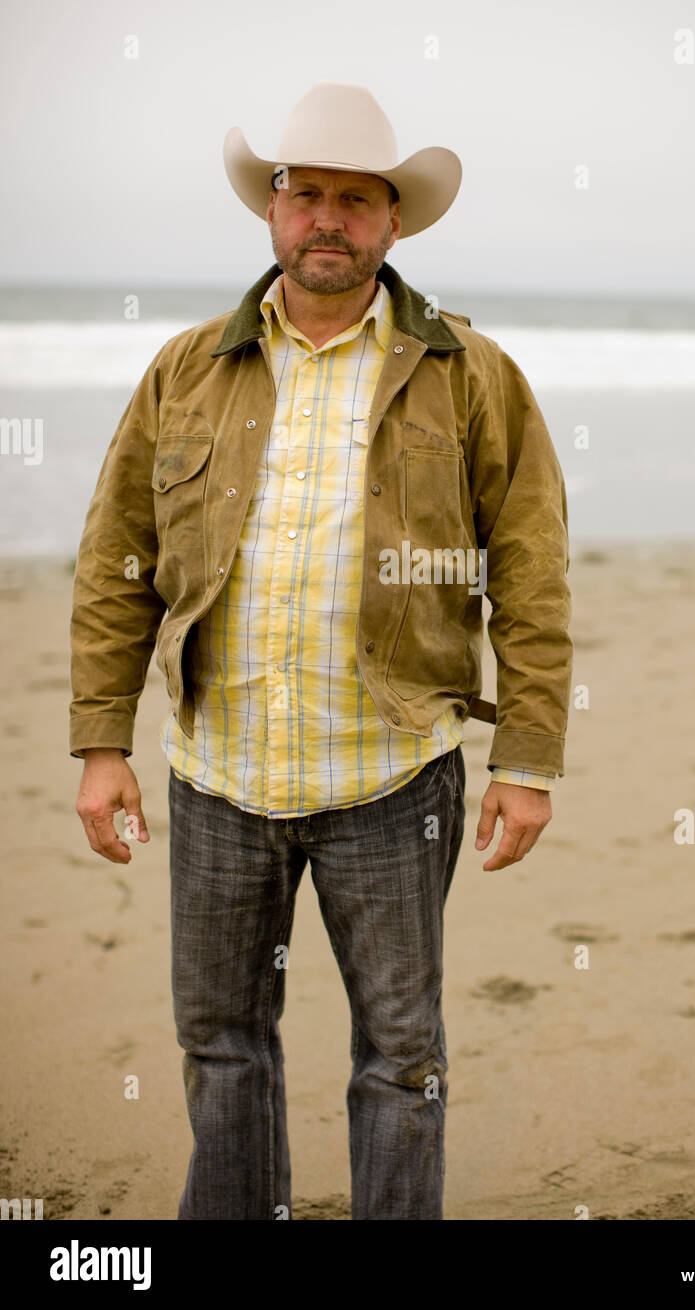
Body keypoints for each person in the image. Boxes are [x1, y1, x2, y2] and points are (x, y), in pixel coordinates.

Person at [70, 82, 573, 1220]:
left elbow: (530, 572)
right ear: (271, 210)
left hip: (391, 780)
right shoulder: (187, 368)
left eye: (357, 198)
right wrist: (103, 744)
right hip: (217, 778)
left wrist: (527, 759)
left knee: (401, 1052)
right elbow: (117, 563)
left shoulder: (471, 376)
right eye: (307, 195)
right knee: (219, 1042)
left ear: (394, 222)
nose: (328, 220)